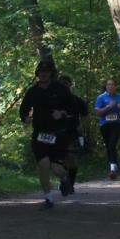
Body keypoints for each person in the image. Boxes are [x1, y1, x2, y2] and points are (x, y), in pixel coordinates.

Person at [19, 63, 75, 210]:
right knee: (43, 165)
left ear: (51, 74)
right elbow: (24, 108)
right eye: (41, 72)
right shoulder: (33, 91)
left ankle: (64, 177)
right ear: (37, 74)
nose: (43, 74)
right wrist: (25, 117)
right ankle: (48, 199)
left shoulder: (60, 89)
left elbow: (72, 107)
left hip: (58, 134)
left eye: (46, 71)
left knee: (56, 168)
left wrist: (61, 112)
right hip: (40, 134)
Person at [58, 74, 89, 194]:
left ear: (70, 85)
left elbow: (86, 115)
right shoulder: (53, 100)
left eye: (66, 83)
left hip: (72, 133)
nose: (64, 86)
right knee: (60, 161)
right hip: (56, 134)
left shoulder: (76, 100)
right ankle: (64, 181)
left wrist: (82, 126)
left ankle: (70, 184)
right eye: (61, 83)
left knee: (72, 160)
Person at [95, 78, 120, 180]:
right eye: (108, 85)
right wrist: (108, 107)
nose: (110, 86)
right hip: (105, 125)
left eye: (112, 84)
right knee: (109, 146)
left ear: (115, 86)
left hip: (117, 124)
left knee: (112, 144)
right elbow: (98, 111)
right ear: (106, 86)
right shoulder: (101, 97)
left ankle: (112, 169)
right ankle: (113, 166)